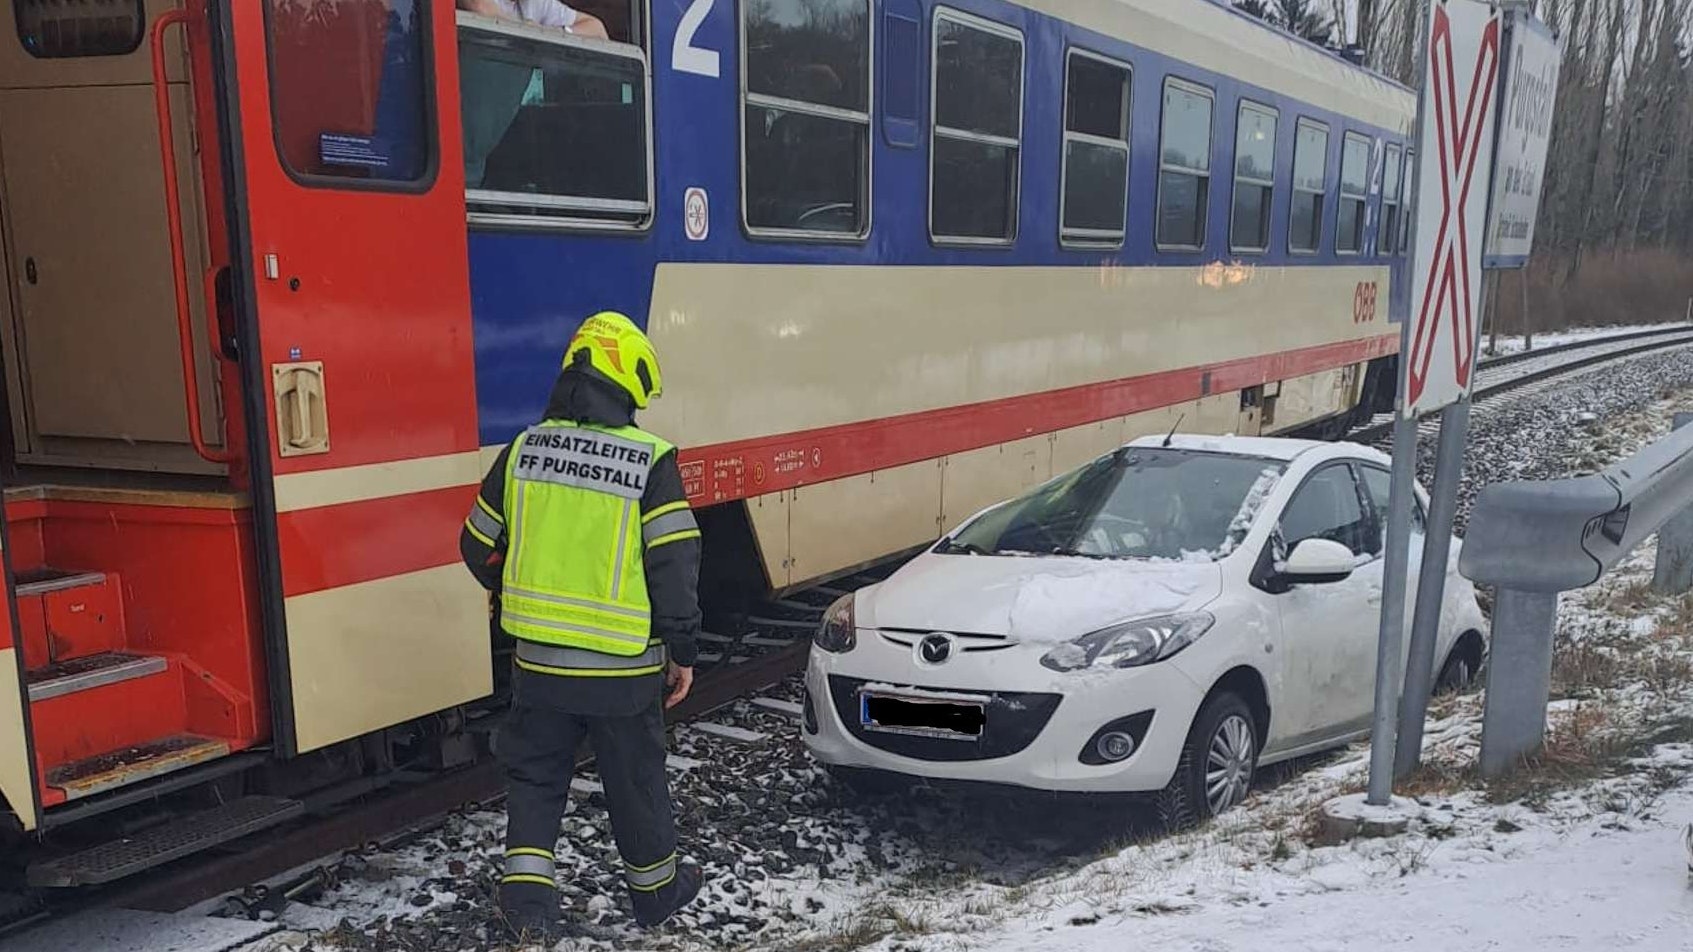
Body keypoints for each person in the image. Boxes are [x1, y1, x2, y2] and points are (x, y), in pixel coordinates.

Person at [460, 311, 704, 938]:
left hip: (538, 666)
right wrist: (682, 647)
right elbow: (672, 563)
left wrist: (510, 585)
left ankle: (529, 912)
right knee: (635, 779)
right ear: (628, 381)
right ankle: (656, 895)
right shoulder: (650, 462)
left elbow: (475, 542)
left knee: (536, 779)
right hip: (622, 671)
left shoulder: (523, 451)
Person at [458, 0, 609, 40]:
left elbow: (597, 30)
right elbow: (480, 7)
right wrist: (531, 31)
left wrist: (558, 32)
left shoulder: (536, 3)